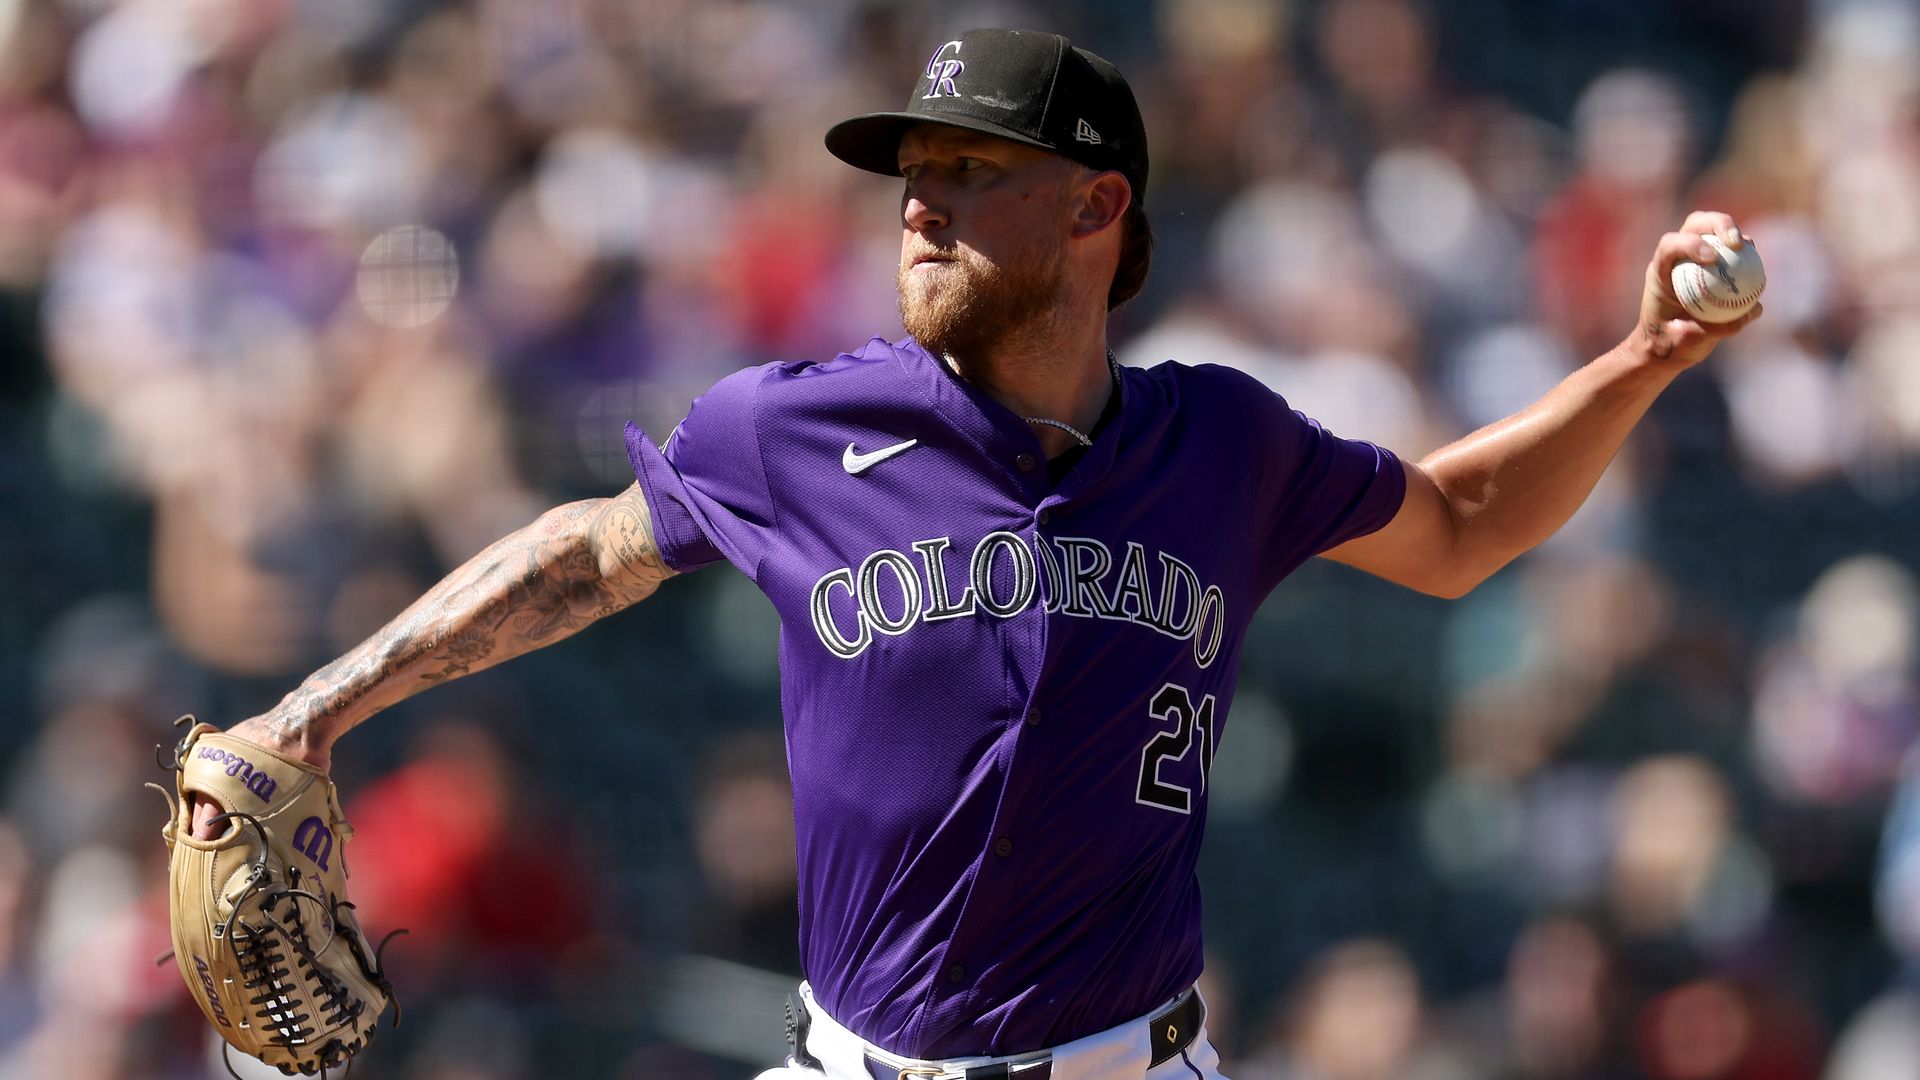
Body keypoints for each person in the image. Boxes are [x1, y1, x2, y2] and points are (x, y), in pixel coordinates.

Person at [186, 27, 1761, 1080]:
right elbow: (584, 557)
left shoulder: (1220, 445)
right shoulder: (791, 429)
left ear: (1096, 207)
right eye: (912, 177)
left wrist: (1639, 367)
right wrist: (316, 710)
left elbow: (1466, 522)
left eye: (969, 173)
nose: (919, 210)